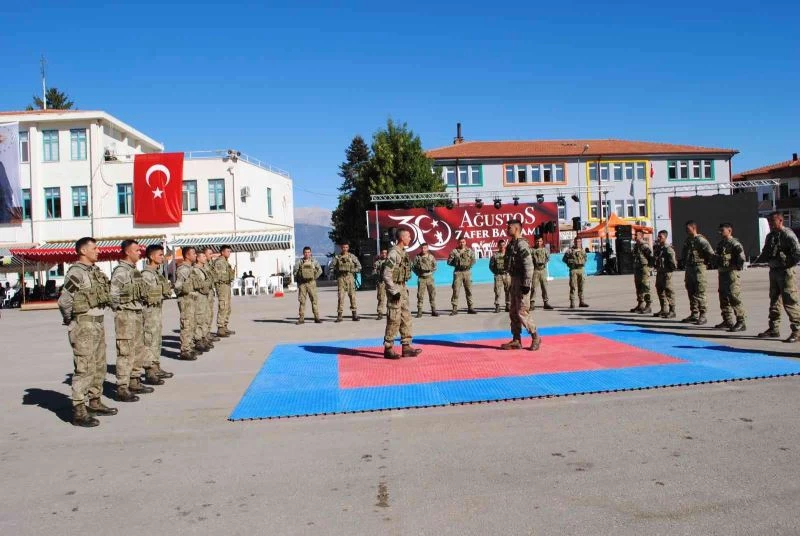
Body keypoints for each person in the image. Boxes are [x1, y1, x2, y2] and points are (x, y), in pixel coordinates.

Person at [57, 237, 116, 427]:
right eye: (94, 248)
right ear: (83, 251)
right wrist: (71, 319)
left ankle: (95, 401)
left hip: (98, 323)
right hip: (84, 325)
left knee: (99, 365)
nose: (98, 251)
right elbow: (64, 301)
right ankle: (79, 410)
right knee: (84, 368)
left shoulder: (95, 272)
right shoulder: (76, 273)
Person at [110, 239, 162, 403]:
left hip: (137, 314)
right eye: (136, 250)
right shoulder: (121, 272)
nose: (140, 253)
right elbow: (113, 296)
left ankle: (134, 381)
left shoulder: (134, 271)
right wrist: (123, 309)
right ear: (127, 252)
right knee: (126, 352)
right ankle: (122, 388)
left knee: (138, 350)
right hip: (126, 316)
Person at [754, 212, 800, 342]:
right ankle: (774, 328)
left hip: (785, 273)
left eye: (773, 221)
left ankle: (797, 330)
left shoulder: (788, 234)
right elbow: (765, 252)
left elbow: (797, 253)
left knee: (790, 301)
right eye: (769, 222)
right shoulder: (771, 236)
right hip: (774, 271)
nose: (771, 224)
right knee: (774, 300)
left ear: (780, 221)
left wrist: (787, 264)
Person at [500, 219, 541, 351]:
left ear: (516, 228)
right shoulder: (512, 244)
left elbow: (529, 265)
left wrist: (526, 283)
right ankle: (516, 340)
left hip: (523, 280)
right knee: (513, 311)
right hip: (514, 280)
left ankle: (535, 337)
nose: (507, 229)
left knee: (522, 311)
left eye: (509, 227)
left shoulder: (522, 245)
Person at [382, 229, 422, 359]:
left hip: (403, 287)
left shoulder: (403, 252)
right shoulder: (394, 253)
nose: (410, 238)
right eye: (408, 236)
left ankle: (406, 347)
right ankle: (388, 348)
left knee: (406, 317)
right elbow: (386, 274)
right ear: (401, 238)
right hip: (395, 288)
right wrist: (394, 291)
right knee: (394, 318)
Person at [140, 244, 174, 380]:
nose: (162, 257)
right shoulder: (145, 275)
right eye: (160, 255)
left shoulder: (157, 274)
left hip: (157, 311)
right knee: (149, 340)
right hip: (149, 312)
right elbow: (144, 295)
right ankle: (149, 370)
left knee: (156, 339)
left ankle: (156, 365)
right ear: (151, 256)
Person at [680, 220, 715, 325]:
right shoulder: (688, 240)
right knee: (690, 291)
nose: (686, 230)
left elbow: (710, 253)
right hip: (689, 268)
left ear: (693, 228)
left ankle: (703, 315)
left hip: (699, 268)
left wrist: (707, 263)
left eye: (688, 228)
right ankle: (694, 313)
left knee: (700, 292)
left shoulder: (701, 240)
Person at [714, 223, 747, 332]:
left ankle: (741, 321)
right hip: (722, 272)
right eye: (720, 230)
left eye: (722, 230)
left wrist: (736, 266)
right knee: (723, 296)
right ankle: (727, 320)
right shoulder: (721, 244)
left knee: (734, 296)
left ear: (729, 230)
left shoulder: (734, 243)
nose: (720, 232)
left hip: (731, 273)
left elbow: (742, 257)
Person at [174, 247, 199, 360]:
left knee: (192, 324)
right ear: (187, 255)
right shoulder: (183, 269)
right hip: (186, 300)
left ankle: (190, 346)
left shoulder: (190, 268)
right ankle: (185, 350)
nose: (195, 256)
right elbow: (178, 287)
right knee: (187, 324)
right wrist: (187, 288)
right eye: (193, 254)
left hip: (192, 299)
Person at [331, 242, 361, 322]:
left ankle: (354, 315)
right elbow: (331, 267)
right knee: (341, 297)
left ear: (348, 248)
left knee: (352, 297)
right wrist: (336, 272)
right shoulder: (337, 257)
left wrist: (352, 270)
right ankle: (339, 316)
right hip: (341, 278)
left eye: (346, 247)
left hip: (350, 277)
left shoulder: (352, 257)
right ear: (341, 247)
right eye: (343, 247)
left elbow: (359, 267)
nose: (345, 249)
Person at [294, 246, 323, 324]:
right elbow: (295, 272)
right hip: (302, 284)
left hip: (311, 283)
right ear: (303, 253)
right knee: (302, 301)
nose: (307, 254)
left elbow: (320, 270)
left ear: (310, 253)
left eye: (308, 252)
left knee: (314, 300)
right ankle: (301, 318)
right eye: (305, 252)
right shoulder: (299, 262)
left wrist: (314, 277)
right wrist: (299, 280)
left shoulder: (314, 262)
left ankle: (317, 318)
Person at [447, 238, 476, 315]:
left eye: (463, 242)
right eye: (460, 242)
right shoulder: (454, 251)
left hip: (467, 272)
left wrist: (468, 265)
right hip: (458, 272)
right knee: (456, 291)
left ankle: (470, 308)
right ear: (458, 243)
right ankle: (454, 309)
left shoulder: (469, 251)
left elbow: (474, 260)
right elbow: (449, 262)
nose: (462, 243)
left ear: (465, 242)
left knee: (469, 290)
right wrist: (457, 264)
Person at [212, 245, 236, 337]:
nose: (229, 253)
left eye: (230, 251)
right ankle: (220, 327)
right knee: (223, 305)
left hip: (226, 285)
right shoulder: (219, 262)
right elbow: (219, 276)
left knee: (227, 307)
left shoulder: (225, 261)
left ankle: (225, 325)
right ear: (222, 252)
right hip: (222, 285)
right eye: (227, 251)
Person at [193, 250, 214, 353]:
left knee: (206, 316)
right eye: (203, 257)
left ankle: (204, 337)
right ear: (198, 258)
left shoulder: (203, 269)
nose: (205, 258)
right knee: (200, 318)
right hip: (200, 296)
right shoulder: (196, 270)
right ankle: (198, 340)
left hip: (205, 295)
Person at [653, 230, 677, 318]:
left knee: (669, 291)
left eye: (661, 237)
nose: (659, 238)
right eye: (658, 236)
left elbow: (673, 263)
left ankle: (672, 310)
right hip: (660, 272)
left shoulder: (668, 249)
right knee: (660, 290)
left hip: (666, 273)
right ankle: (663, 309)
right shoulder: (658, 248)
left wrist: (669, 271)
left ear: (665, 237)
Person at [630, 230, 655, 314]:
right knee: (638, 286)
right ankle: (640, 304)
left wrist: (650, 268)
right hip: (637, 268)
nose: (634, 236)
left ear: (641, 236)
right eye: (634, 235)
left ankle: (648, 305)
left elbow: (651, 257)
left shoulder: (644, 245)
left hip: (644, 268)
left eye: (636, 235)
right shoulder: (636, 246)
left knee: (645, 286)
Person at [412, 243, 438, 317]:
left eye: (425, 248)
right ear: (420, 248)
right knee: (420, 295)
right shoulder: (417, 257)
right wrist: (418, 273)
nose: (424, 249)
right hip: (421, 278)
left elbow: (435, 266)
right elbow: (413, 267)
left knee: (432, 294)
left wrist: (430, 273)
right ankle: (419, 311)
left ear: (428, 248)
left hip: (429, 278)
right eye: (422, 248)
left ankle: (433, 310)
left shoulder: (431, 257)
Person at [201, 247, 220, 343]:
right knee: (205, 314)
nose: (211, 255)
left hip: (210, 291)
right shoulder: (202, 266)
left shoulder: (209, 264)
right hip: (205, 292)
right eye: (209, 254)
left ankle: (207, 333)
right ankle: (204, 335)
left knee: (209, 313)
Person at [563, 238, 589, 308]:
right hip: (573, 270)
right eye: (576, 241)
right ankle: (572, 302)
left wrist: (582, 262)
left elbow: (585, 258)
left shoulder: (583, 251)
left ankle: (581, 301)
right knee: (573, 286)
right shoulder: (570, 251)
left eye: (579, 241)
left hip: (581, 269)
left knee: (581, 286)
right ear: (574, 242)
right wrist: (570, 263)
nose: (578, 243)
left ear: (581, 242)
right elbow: (564, 259)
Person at [530, 236, 553, 310]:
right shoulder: (532, 250)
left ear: (542, 242)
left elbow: (548, 258)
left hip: (543, 270)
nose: (538, 242)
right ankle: (532, 303)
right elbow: (529, 259)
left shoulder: (545, 250)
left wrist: (543, 263)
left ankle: (546, 303)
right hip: (535, 271)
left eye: (540, 241)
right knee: (533, 288)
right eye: (537, 241)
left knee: (544, 287)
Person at [489, 239, 511, 313]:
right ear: (498, 246)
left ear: (505, 245)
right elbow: (491, 266)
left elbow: (512, 264)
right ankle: (497, 306)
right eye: (500, 245)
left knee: (508, 290)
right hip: (498, 275)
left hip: (507, 275)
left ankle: (508, 305)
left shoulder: (508, 255)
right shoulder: (495, 255)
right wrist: (496, 272)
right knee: (497, 291)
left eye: (503, 245)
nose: (502, 246)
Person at [374, 249, 389, 320]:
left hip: (389, 282)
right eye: (383, 253)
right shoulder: (377, 262)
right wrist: (378, 273)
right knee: (381, 298)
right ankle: (380, 312)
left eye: (385, 253)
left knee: (390, 297)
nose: (384, 254)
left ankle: (390, 311)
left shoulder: (390, 262)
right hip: (381, 282)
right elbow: (374, 272)